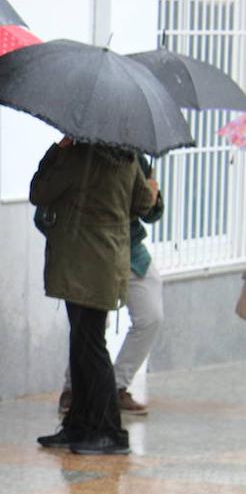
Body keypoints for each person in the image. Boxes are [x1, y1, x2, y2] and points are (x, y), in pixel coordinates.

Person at [31, 137, 155, 456]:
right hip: (105, 262)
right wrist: (151, 189)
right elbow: (143, 204)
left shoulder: (76, 156)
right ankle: (80, 424)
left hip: (81, 263)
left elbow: (39, 192)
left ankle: (110, 431)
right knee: (85, 341)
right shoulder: (126, 155)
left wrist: (56, 149)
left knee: (90, 345)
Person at [59, 154, 164, 416]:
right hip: (92, 250)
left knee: (151, 315)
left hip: (129, 250)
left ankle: (116, 387)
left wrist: (154, 196)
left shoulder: (133, 156)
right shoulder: (80, 154)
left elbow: (149, 212)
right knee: (92, 322)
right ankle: (74, 388)